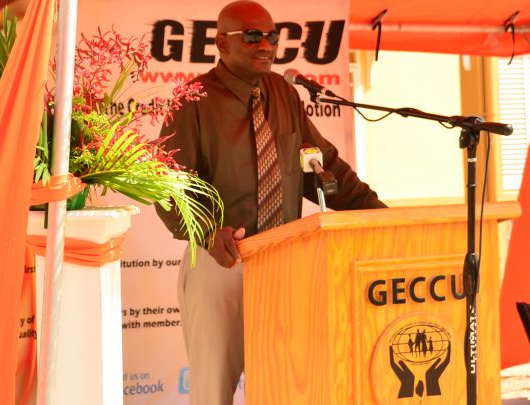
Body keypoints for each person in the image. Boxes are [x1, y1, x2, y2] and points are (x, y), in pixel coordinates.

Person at [155, 1, 385, 403]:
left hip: (285, 263)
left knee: (288, 385)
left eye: (272, 37)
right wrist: (208, 232)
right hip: (222, 262)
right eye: (252, 36)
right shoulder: (193, 100)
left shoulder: (283, 93)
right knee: (213, 392)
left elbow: (322, 165)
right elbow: (168, 183)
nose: (265, 45)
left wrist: (378, 215)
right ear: (222, 43)